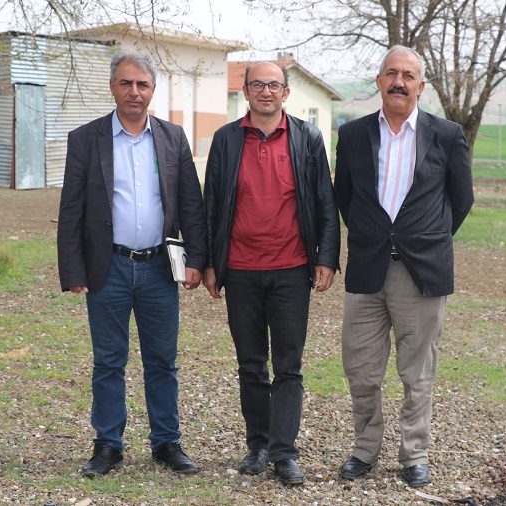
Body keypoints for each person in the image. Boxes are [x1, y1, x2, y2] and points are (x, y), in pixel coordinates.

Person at [57, 49, 207, 478]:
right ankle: (108, 445)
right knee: (108, 361)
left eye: (142, 84)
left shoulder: (173, 138)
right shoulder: (85, 139)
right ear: (112, 87)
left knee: (162, 361)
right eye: (126, 83)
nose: (134, 91)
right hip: (109, 267)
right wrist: (73, 270)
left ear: (153, 90)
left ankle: (166, 442)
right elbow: (72, 209)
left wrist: (197, 259)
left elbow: (191, 205)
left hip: (160, 267)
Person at [333, 45, 474, 488]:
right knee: (361, 369)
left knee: (418, 372)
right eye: (391, 73)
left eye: (408, 75)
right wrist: (374, 235)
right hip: (367, 269)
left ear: (421, 86)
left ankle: (415, 454)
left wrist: (425, 237)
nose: (399, 82)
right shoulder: (352, 135)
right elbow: (344, 198)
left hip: (422, 272)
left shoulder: (446, 135)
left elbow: (461, 199)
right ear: (379, 81)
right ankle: (364, 449)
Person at [202, 61, 340, 485]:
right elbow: (211, 204)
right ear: (245, 91)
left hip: (291, 269)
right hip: (240, 269)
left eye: (274, 85)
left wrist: (327, 257)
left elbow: (325, 200)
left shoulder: (307, 137)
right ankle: (258, 445)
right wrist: (210, 263)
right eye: (258, 84)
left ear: (286, 92)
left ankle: (284, 453)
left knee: (289, 365)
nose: (266, 91)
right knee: (250, 364)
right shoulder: (226, 139)